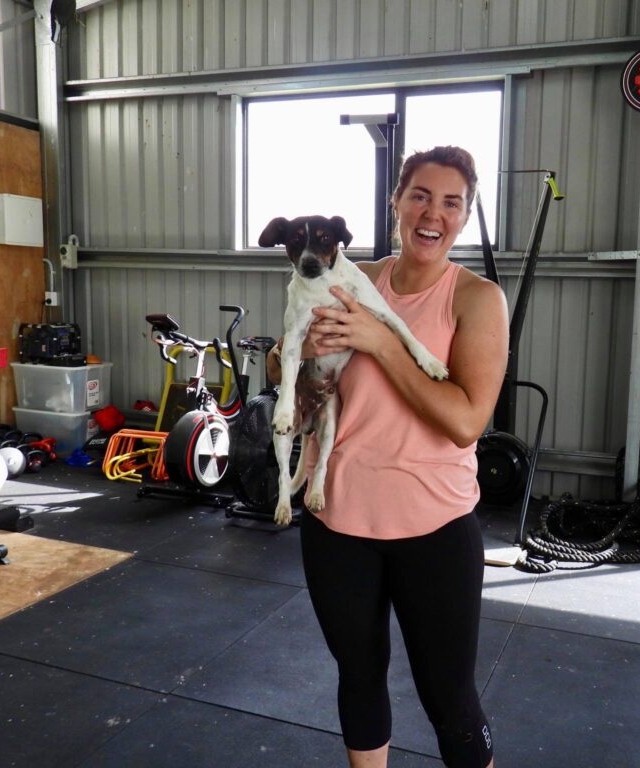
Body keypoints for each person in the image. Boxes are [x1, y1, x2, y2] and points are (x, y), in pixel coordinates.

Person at [266, 146, 508, 768]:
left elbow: (465, 421)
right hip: (338, 519)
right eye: (420, 195)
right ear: (396, 202)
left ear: (465, 214)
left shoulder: (477, 300)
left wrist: (380, 341)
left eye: (451, 202)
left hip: (433, 527)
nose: (433, 213)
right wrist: (294, 360)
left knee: (448, 695)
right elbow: (283, 363)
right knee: (359, 675)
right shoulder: (351, 275)